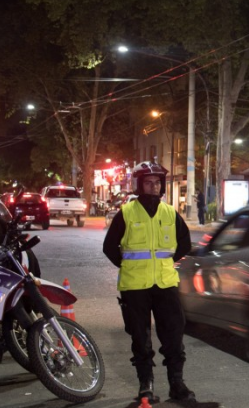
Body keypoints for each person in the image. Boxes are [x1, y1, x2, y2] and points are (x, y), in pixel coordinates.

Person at [102, 162, 195, 403]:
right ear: (138, 185)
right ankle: (146, 386)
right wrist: (129, 267)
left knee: (174, 337)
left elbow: (185, 244)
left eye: (157, 183)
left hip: (165, 285)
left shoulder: (169, 212)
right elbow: (110, 248)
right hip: (135, 287)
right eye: (148, 182)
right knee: (140, 340)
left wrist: (165, 263)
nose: (153, 187)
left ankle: (177, 384)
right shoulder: (126, 213)